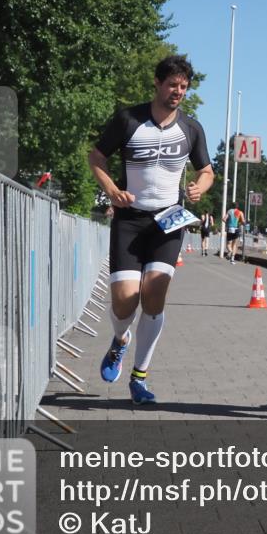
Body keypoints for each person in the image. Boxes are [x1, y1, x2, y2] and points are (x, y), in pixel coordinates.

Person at [88, 55, 214, 405]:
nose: (178, 92)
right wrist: (112, 190)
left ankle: (139, 377)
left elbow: (207, 170)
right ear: (157, 84)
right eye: (172, 85)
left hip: (168, 221)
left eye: (184, 87)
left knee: (154, 292)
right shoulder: (129, 120)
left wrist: (200, 187)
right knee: (125, 301)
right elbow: (96, 157)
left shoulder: (191, 128)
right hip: (130, 220)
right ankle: (120, 340)